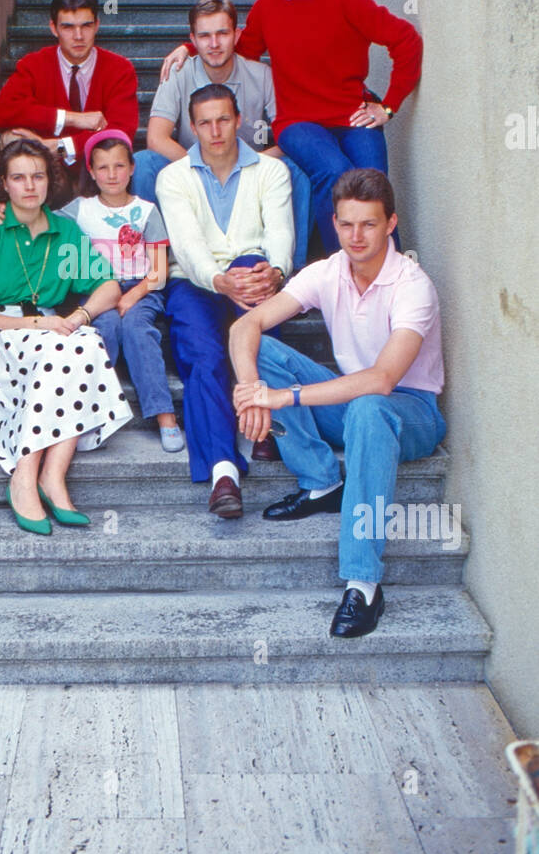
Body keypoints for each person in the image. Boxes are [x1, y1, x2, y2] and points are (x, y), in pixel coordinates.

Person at [230, 168, 445, 638]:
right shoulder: (328, 271)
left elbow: (384, 379)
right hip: (350, 401)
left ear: (390, 223)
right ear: (334, 223)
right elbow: (244, 327)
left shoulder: (413, 285)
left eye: (368, 224)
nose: (356, 236)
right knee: (262, 350)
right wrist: (250, 391)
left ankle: (363, 583)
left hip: (410, 413)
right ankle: (322, 483)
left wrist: (282, 396)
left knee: (369, 406)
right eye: (346, 225)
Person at [159, 0, 422, 253]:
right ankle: (341, 274)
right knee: (337, 175)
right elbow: (239, 45)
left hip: (352, 113)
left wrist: (388, 105)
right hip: (298, 120)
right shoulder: (270, 4)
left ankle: (391, 281)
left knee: (375, 185)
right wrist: (186, 45)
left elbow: (406, 40)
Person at [0, 138, 132, 533]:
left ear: (50, 180)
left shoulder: (64, 230)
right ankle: (25, 477)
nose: (29, 186)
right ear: (4, 185)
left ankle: (53, 474)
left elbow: (109, 287)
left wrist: (80, 315)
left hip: (48, 332)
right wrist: (41, 326)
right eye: (18, 178)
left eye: (38, 176)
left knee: (86, 341)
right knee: (61, 349)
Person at [155, 83, 295, 517]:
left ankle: (265, 422)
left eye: (223, 119)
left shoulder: (271, 172)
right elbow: (188, 244)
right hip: (196, 282)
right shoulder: (172, 177)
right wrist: (218, 280)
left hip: (254, 276)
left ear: (238, 120)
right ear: (192, 128)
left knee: (253, 286)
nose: (215, 130)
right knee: (203, 355)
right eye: (205, 122)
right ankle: (223, 473)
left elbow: (280, 234)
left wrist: (275, 273)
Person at [133, 0, 312, 269]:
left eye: (222, 34)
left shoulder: (261, 75)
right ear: (192, 40)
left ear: (237, 35)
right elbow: (156, 137)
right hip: (189, 169)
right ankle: (151, 268)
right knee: (144, 162)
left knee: (295, 168)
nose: (214, 44)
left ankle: (290, 274)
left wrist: (256, 163)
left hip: (248, 172)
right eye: (205, 36)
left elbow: (290, 136)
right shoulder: (179, 72)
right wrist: (201, 166)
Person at [60, 130, 183, 452]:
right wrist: (0, 210)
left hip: (140, 289)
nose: (111, 175)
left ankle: (164, 415)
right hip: (98, 291)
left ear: (131, 169)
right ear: (91, 171)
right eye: (102, 167)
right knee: (106, 328)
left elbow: (158, 272)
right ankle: (92, 414)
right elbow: (42, 224)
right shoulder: (81, 209)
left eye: (118, 166)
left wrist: (133, 295)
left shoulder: (146, 211)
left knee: (137, 330)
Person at [0, 0, 138, 191]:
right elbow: (2, 113)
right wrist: (71, 118)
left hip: (100, 173)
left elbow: (121, 131)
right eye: (68, 27)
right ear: (54, 28)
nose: (78, 36)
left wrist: (58, 146)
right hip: (50, 176)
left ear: (97, 25)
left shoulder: (119, 69)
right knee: (11, 138)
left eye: (86, 25)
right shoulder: (34, 64)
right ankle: (12, 209)